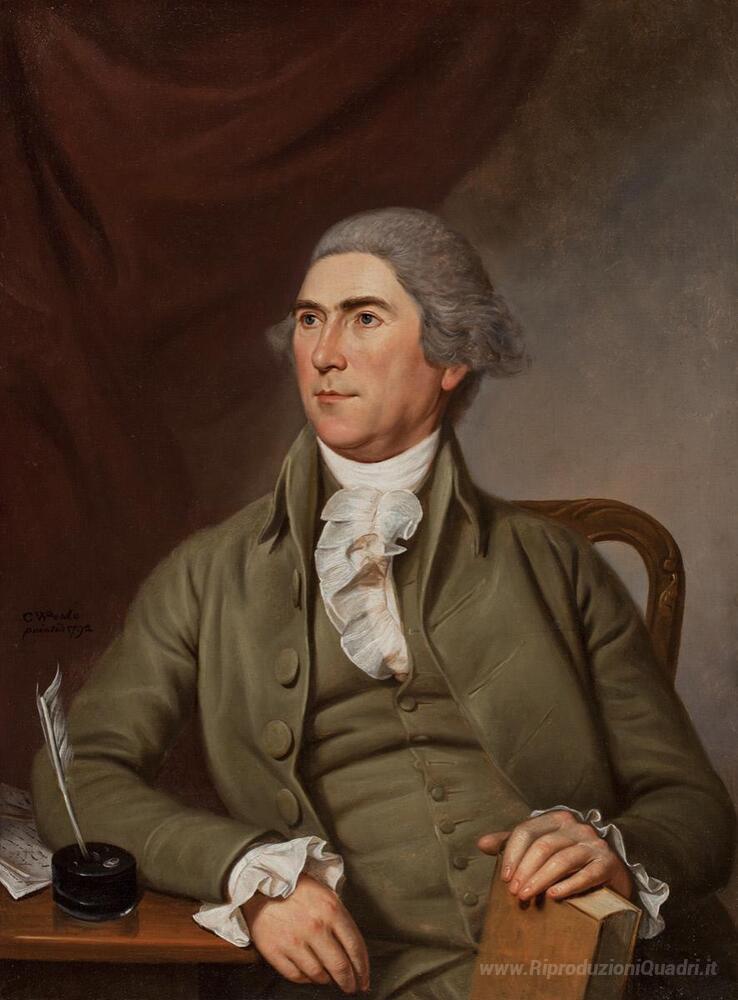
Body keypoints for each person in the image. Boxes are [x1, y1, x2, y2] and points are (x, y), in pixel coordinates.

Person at [32, 208, 735, 1000]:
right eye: (309, 320)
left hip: (580, 968)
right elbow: (75, 773)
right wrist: (247, 871)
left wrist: (617, 851)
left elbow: (695, 806)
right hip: (347, 978)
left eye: (363, 318)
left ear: (451, 356)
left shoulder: (556, 564)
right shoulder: (206, 574)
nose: (324, 353)